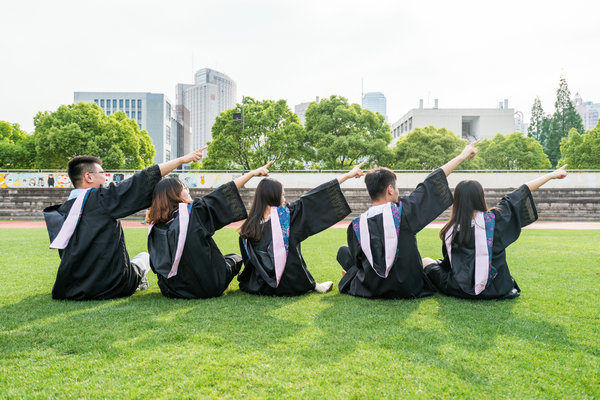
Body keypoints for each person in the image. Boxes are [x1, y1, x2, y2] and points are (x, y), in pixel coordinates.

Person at [43, 148, 206, 300]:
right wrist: (181, 160)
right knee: (144, 257)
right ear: (89, 177)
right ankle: (139, 281)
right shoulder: (101, 199)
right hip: (110, 286)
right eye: (102, 173)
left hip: (70, 288)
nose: (106, 177)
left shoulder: (61, 212)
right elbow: (141, 181)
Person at [337, 143, 479, 299]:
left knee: (343, 251)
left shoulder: (356, 225)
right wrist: (462, 156)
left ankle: (349, 276)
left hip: (372, 286)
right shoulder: (403, 211)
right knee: (345, 252)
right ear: (390, 189)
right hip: (409, 286)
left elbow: (359, 262)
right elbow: (431, 183)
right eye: (396, 187)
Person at [422, 165, 568, 300]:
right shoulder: (495, 220)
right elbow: (520, 193)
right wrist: (551, 175)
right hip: (496, 288)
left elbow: (449, 264)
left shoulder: (450, 230)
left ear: (457, 201)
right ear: (480, 197)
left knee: (426, 261)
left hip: (457, 288)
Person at [146, 162, 272, 299]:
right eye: (184, 187)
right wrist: (252, 173)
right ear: (174, 194)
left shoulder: (155, 226)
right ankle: (227, 282)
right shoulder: (194, 213)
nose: (188, 190)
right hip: (209, 287)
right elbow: (225, 192)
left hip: (171, 290)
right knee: (235, 258)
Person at [238, 163, 365, 296]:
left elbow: (249, 262)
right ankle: (314, 285)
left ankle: (313, 284)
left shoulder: (247, 227)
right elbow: (315, 196)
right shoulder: (286, 217)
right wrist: (348, 175)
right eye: (282, 195)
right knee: (290, 242)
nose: (284, 199)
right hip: (290, 285)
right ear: (273, 197)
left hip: (258, 285)